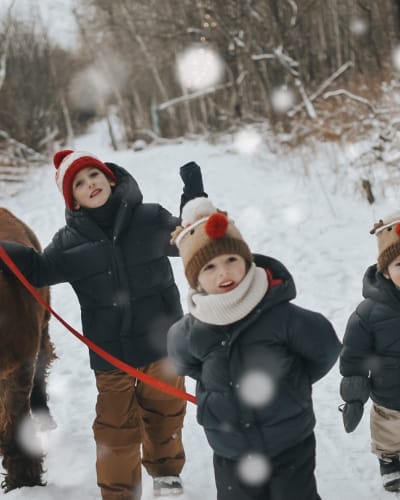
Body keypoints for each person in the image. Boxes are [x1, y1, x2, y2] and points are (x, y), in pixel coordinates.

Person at [0, 150, 206, 500]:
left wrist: (194, 201)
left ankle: (166, 470)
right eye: (78, 183)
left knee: (165, 413)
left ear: (110, 178)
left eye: (93, 175)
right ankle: (119, 492)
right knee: (114, 430)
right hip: (111, 356)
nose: (89, 184)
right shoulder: (68, 243)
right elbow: (38, 270)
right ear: (73, 200)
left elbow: (189, 240)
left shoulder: (150, 218)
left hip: (162, 344)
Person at [167, 197, 341, 500]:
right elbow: (183, 362)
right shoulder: (192, 330)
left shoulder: (279, 313)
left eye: (231, 260)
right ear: (195, 280)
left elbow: (324, 348)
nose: (224, 273)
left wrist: (292, 382)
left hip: (289, 443)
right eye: (209, 267)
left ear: (247, 260)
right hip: (231, 451)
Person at [339, 211, 400, 493]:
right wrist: (353, 397)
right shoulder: (369, 313)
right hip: (390, 393)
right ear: (385, 271)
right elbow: (354, 357)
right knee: (390, 430)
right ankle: (391, 459)